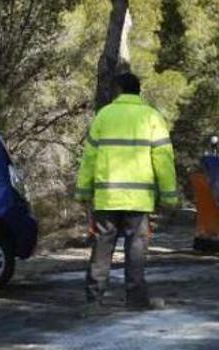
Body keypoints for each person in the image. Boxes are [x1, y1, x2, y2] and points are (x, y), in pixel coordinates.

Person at [75, 72, 178, 311]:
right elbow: (163, 159)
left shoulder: (104, 116)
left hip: (107, 197)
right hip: (138, 200)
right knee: (136, 247)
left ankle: (94, 300)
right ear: (138, 91)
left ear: (119, 90)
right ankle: (136, 300)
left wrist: (82, 191)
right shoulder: (152, 117)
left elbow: (89, 157)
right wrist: (169, 195)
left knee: (102, 246)